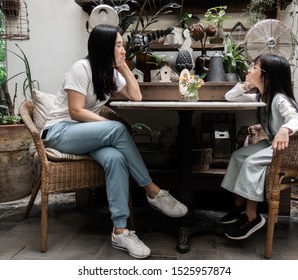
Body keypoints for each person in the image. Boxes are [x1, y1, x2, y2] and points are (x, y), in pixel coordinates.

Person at [41, 24, 188, 259]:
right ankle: (152, 190)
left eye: (122, 45)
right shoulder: (81, 68)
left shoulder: (109, 72)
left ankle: (120, 230)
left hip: (86, 133)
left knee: (116, 158)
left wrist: (122, 65)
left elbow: (136, 96)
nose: (123, 49)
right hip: (59, 132)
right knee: (117, 128)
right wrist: (105, 126)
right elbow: (76, 111)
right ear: (104, 47)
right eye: (118, 45)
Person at [220, 53, 298, 240]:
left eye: (254, 67)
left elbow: (297, 119)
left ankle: (252, 216)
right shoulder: (261, 97)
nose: (249, 70)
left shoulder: (279, 99)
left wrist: (284, 130)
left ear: (268, 76)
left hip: (287, 147)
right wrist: (246, 85)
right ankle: (239, 205)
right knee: (238, 156)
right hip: (271, 143)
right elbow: (229, 97)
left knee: (251, 162)